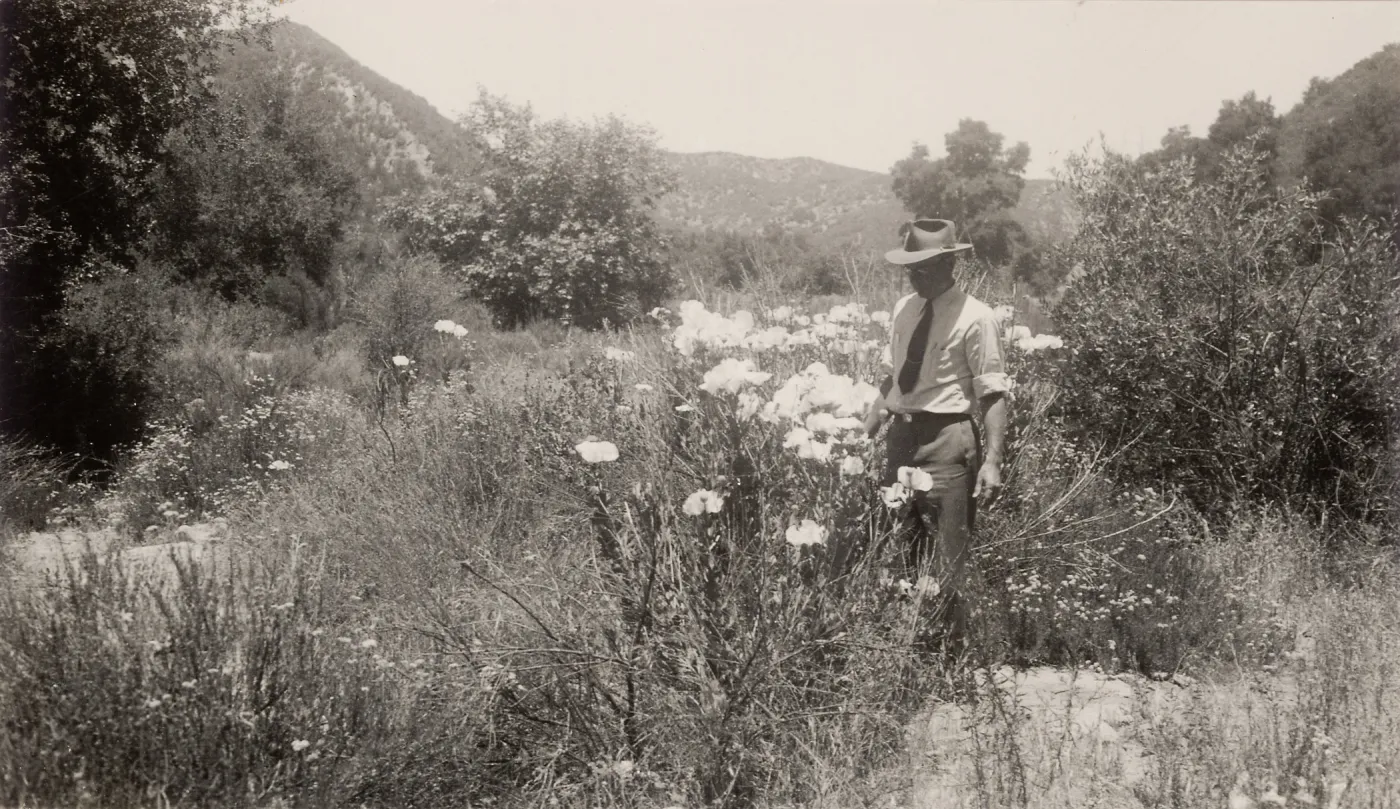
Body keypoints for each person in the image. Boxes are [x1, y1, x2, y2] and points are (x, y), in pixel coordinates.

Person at [862, 218, 1009, 649]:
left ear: (950, 263)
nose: (915, 277)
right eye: (911, 268)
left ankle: (949, 652)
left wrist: (993, 460)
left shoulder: (977, 318)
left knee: (949, 550)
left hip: (948, 438)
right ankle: (904, 642)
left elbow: (993, 393)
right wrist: (866, 429)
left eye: (924, 268)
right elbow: (891, 377)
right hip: (902, 437)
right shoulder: (903, 309)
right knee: (900, 539)